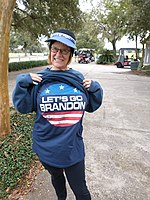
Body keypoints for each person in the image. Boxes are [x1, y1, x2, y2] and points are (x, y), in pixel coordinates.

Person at [12, 28, 103, 200]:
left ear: (70, 54)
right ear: (50, 51)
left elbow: (91, 105)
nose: (59, 54)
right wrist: (21, 83)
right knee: (56, 178)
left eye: (65, 50)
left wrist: (96, 88)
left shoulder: (78, 79)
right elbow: (22, 107)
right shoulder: (38, 79)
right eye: (55, 49)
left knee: (82, 192)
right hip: (46, 147)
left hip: (72, 147)